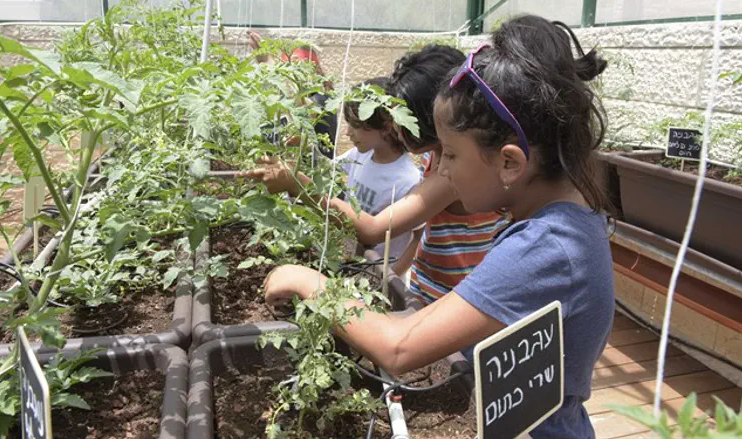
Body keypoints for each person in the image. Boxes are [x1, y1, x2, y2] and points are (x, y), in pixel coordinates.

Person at [261, 15, 615, 439]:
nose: (440, 170)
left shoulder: (548, 248)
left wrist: (308, 282)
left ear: (510, 162)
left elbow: (398, 347)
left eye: (448, 155)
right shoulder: (562, 220)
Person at [243, 44, 510, 302]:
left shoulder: (451, 176)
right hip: (428, 286)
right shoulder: (437, 156)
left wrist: (297, 185)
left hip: (450, 299)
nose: (392, 125)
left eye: (400, 114)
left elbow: (372, 230)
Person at [336, 77, 421, 259]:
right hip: (351, 260)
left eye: (356, 125)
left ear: (385, 126)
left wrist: (393, 276)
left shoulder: (408, 180)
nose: (348, 132)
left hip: (379, 275)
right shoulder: (359, 155)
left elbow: (418, 237)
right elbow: (326, 167)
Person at [247, 30, 337, 158]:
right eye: (287, 68)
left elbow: (300, 107)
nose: (290, 73)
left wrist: (267, 59)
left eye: (297, 65)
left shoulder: (321, 98)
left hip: (317, 170)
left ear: (313, 69)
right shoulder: (294, 98)